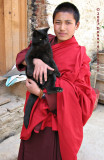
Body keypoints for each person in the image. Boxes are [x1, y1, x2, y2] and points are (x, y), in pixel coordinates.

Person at [16, 2, 96, 160]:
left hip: (53, 121)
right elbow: (21, 56)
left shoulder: (79, 57)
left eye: (68, 23)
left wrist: (40, 93)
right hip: (33, 113)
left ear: (77, 25)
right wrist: (35, 61)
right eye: (58, 22)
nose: (62, 28)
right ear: (53, 24)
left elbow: (78, 97)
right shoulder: (46, 40)